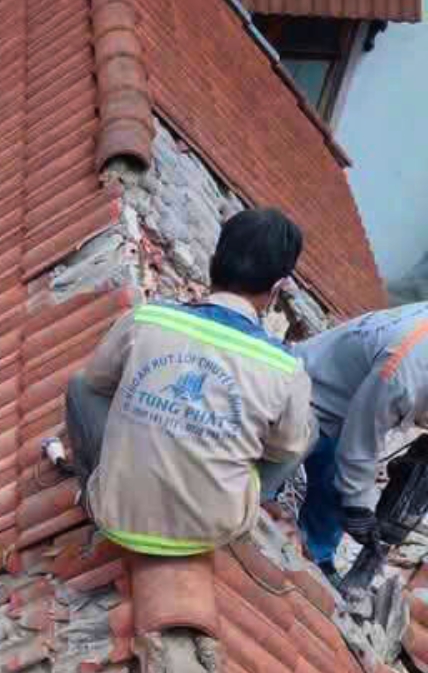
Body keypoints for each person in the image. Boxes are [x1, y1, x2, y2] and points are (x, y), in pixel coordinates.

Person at [62, 207, 314, 555]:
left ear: (213, 263)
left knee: (80, 387)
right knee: (307, 429)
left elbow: (95, 382)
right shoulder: (285, 368)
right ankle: (240, 511)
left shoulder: (147, 319)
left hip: (114, 518)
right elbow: (283, 449)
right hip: (208, 535)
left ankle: (97, 490)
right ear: (275, 289)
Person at [295, 301, 428, 576]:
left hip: (352, 402)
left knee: (343, 485)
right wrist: (360, 507)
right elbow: (360, 442)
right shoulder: (405, 375)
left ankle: (316, 556)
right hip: (309, 396)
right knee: (343, 487)